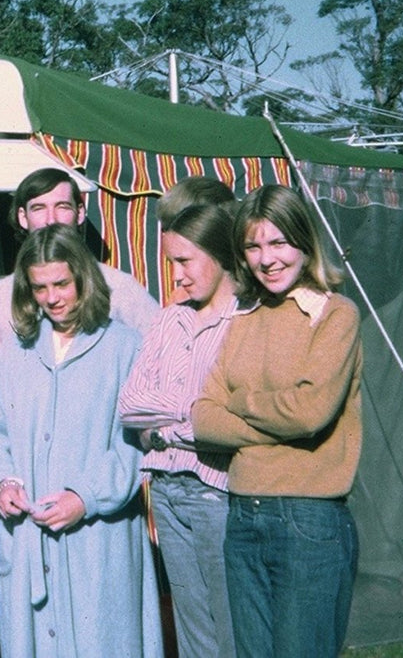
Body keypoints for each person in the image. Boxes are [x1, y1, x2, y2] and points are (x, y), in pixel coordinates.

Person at [0, 225, 162, 658]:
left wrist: (86, 497)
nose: (52, 298)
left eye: (61, 284)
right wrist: (2, 485)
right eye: (39, 287)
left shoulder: (124, 347)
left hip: (99, 537)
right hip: (27, 541)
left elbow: (136, 444)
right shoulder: (11, 353)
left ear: (83, 278)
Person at [191, 185, 364, 658]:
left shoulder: (334, 315)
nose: (267, 258)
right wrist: (272, 419)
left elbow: (310, 412)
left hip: (309, 518)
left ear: (305, 243)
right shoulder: (242, 318)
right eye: (253, 246)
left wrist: (241, 401)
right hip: (243, 514)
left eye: (278, 242)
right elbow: (203, 417)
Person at [117, 203, 244, 658]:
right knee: (191, 625)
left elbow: (230, 417)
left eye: (185, 261)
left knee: (230, 623)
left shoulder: (243, 321)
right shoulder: (169, 318)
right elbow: (131, 404)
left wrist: (165, 427)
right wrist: (191, 414)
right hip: (167, 491)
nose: (177, 275)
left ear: (219, 253)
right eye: (172, 263)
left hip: (217, 492)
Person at [0, 167, 159, 344]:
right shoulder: (2, 295)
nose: (51, 219)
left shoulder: (118, 287)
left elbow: (163, 349)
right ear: (23, 217)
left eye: (62, 207)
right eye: (39, 208)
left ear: (80, 213)